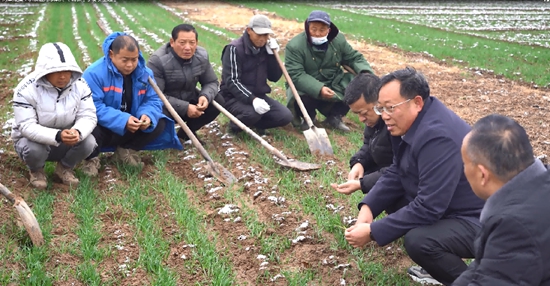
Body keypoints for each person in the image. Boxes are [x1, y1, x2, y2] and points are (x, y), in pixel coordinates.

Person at [343, 67, 485, 285]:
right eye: (381, 108)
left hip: (482, 218)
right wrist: (368, 207)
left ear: (417, 102)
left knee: (420, 241)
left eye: (390, 108)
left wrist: (372, 231)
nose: (385, 116)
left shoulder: (437, 137)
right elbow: (398, 171)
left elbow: (429, 207)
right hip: (455, 206)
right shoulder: (406, 123)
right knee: (397, 202)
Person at [453, 114, 550, 285]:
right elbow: (487, 266)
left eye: (465, 164)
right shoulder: (539, 187)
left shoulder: (513, 226)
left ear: (482, 174)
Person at [82, 32, 182, 174]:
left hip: (132, 125)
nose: (130, 65)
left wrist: (146, 115)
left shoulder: (144, 73)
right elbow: (93, 106)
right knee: (89, 125)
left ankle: (126, 150)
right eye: (125, 60)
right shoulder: (93, 73)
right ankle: (91, 158)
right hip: (104, 126)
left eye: (134, 59)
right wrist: (123, 119)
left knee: (159, 121)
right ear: (111, 55)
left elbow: (153, 99)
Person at [11, 42, 97, 189]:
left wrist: (77, 131)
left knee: (89, 141)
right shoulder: (25, 90)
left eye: (67, 70)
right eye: (56, 71)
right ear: (44, 71)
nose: (63, 76)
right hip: (32, 141)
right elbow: (26, 126)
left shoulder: (81, 86)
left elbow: (88, 115)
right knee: (34, 149)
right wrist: (58, 135)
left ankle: (64, 168)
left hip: (65, 139)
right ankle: (36, 170)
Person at [284, 10, 373, 132]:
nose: (317, 33)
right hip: (308, 84)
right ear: (307, 28)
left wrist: (365, 73)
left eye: (322, 30)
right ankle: (308, 117)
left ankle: (335, 117)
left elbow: (353, 57)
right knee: (298, 91)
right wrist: (319, 88)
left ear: (328, 30)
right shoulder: (295, 46)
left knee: (355, 84)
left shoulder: (338, 40)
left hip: (333, 81)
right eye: (313, 29)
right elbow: (296, 74)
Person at [147, 24, 223, 143]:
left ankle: (186, 132)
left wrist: (205, 96)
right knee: (157, 115)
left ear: (196, 43)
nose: (188, 47)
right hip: (167, 106)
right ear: (172, 42)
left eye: (192, 43)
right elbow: (156, 96)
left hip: (190, 98)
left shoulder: (201, 56)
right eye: (182, 43)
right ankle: (164, 138)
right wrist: (185, 107)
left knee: (218, 100)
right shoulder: (159, 60)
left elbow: (211, 82)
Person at [219, 14, 293, 135]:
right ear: (249, 30)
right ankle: (234, 127)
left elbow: (274, 78)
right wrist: (252, 99)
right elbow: (232, 81)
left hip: (258, 95)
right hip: (232, 97)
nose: (263, 39)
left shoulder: (266, 49)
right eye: (259, 35)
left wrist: (273, 56)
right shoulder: (234, 49)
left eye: (266, 35)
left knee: (285, 116)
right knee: (252, 113)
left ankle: (254, 124)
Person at [331, 73, 393, 195]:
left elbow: (400, 169)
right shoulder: (373, 121)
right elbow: (368, 144)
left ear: (378, 103)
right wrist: (359, 162)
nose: (361, 119)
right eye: (357, 114)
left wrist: (362, 184)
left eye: (364, 113)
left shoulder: (395, 124)